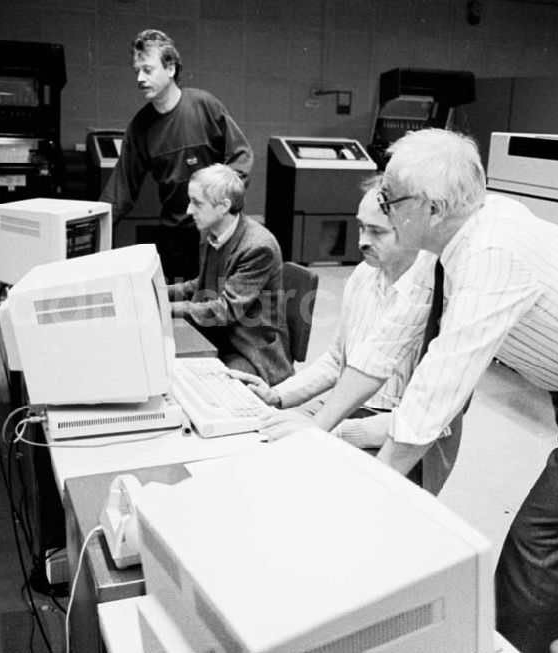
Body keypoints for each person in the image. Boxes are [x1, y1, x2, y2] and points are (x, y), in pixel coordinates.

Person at [265, 128, 558, 653]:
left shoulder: (490, 253)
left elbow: (438, 386)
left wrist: (368, 492)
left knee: (539, 540)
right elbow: (382, 346)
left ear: (434, 207)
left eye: (393, 198)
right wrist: (316, 431)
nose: (382, 206)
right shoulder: (439, 244)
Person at [230, 178, 462, 495]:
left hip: (404, 438)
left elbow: (428, 420)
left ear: (414, 230)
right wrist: (278, 396)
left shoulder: (440, 296)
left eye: (377, 231)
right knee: (256, 443)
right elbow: (337, 359)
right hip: (348, 410)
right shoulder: (364, 275)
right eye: (360, 228)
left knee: (309, 485)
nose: (363, 241)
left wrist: (331, 431)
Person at [100, 29, 253, 282]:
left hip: (217, 230)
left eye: (147, 70)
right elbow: (120, 191)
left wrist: (220, 205)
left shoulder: (205, 106)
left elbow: (241, 156)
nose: (139, 78)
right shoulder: (140, 127)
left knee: (216, 306)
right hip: (175, 235)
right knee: (175, 306)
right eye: (137, 70)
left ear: (170, 69)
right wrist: (94, 232)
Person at [167, 164, 292, 385]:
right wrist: (159, 290)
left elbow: (227, 309)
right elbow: (202, 284)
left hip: (250, 349)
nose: (188, 210)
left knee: (214, 387)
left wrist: (166, 309)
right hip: (221, 335)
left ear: (223, 206)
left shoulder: (258, 247)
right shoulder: (211, 232)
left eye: (197, 203)